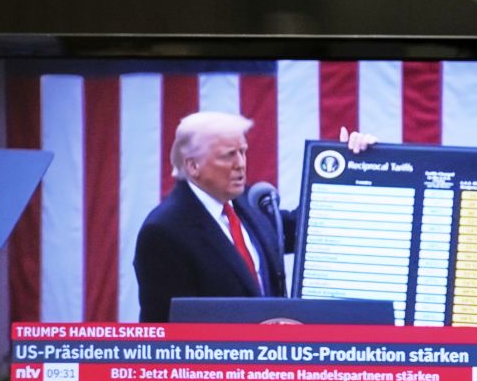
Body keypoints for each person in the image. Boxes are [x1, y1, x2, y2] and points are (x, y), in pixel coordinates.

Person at [133, 111, 374, 323]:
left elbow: (306, 228)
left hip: (268, 366)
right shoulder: (164, 231)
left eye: (243, 152)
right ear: (193, 165)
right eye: (228, 155)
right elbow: (163, 339)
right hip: (220, 370)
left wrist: (351, 169)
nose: (240, 164)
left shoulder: (245, 202)